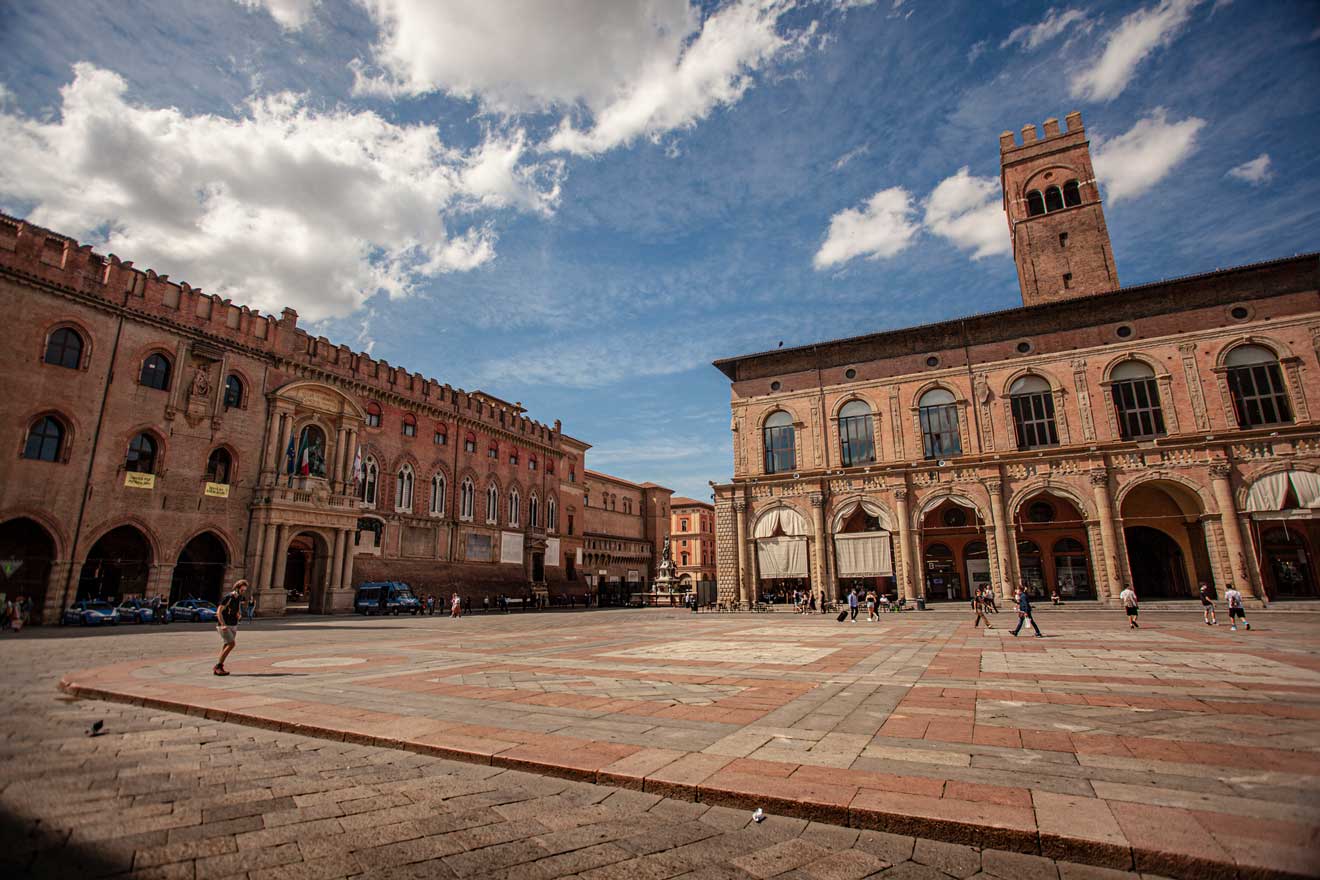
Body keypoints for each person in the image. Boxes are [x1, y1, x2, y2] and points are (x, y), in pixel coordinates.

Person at [214, 579, 248, 676]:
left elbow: (234, 610)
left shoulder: (239, 598)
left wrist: (238, 614)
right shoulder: (229, 597)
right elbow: (219, 611)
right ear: (237, 588)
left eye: (244, 590)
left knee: (226, 645)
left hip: (233, 624)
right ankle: (218, 666)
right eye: (242, 590)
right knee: (231, 644)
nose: (243, 592)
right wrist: (223, 624)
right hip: (225, 625)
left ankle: (219, 666)